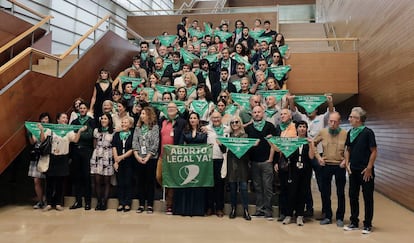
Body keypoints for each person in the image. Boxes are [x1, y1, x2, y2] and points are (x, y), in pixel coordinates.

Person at [40, 113, 87, 211]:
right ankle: (48, 203)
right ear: (58, 120)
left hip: (63, 158)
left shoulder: (69, 130)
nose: (65, 119)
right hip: (52, 157)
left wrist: (79, 131)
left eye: (66, 118)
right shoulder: (51, 129)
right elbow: (43, 139)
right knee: (49, 182)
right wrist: (41, 130)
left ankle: (58, 203)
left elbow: (75, 140)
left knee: (60, 183)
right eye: (63, 117)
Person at [274, 121, 315, 226]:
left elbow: (311, 157)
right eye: (300, 127)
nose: (302, 129)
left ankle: (300, 215)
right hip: (293, 170)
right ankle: (288, 215)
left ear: (306, 129)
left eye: (304, 127)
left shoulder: (308, 141)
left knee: (303, 192)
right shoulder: (292, 141)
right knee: (291, 192)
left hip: (305, 170)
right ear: (296, 129)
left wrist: (311, 144)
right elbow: (281, 150)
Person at [344, 107, 377, 234]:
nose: (349, 119)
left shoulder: (368, 132)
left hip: (365, 171)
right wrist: (347, 164)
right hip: (353, 170)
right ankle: (353, 222)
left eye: (351, 117)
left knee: (367, 197)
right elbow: (348, 149)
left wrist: (369, 168)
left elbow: (374, 151)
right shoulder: (350, 132)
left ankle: (367, 224)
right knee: (353, 196)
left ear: (358, 119)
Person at [313, 112, 348, 227]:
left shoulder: (345, 133)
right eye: (330, 121)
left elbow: (349, 149)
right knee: (325, 192)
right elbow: (312, 144)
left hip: (339, 165)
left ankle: (340, 217)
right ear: (328, 121)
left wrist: (346, 161)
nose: (332, 124)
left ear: (339, 122)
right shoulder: (323, 132)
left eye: (335, 121)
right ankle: (327, 216)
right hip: (326, 164)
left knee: (340, 193)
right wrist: (318, 157)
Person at [245, 105, 277, 220]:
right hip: (254, 162)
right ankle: (259, 210)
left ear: (263, 113)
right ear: (252, 114)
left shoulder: (270, 126)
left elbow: (275, 144)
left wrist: (271, 159)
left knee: (267, 187)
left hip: (266, 162)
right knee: (257, 187)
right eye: (254, 112)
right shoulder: (249, 128)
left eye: (259, 112)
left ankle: (268, 211)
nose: (257, 114)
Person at [173, 112, 208, 216]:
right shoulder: (185, 131)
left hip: (200, 162)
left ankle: (197, 210)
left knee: (197, 184)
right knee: (186, 184)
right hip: (187, 161)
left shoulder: (203, 132)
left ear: (198, 120)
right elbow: (180, 145)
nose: (192, 120)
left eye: (194, 118)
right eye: (191, 118)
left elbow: (206, 146)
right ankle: (184, 209)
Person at [156, 102, 187, 214]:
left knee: (172, 181)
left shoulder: (182, 122)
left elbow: (183, 137)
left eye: (173, 108)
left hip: (174, 156)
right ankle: (167, 189)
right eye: (168, 108)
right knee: (159, 176)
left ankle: (170, 205)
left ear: (177, 109)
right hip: (161, 155)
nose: (170, 109)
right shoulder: (162, 121)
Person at [132, 107, 160, 214]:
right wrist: (137, 156)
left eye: (143, 113)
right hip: (139, 158)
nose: (141, 115)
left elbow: (155, 143)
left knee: (149, 182)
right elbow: (135, 142)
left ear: (149, 115)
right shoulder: (138, 127)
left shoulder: (155, 127)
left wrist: (147, 157)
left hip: (151, 159)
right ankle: (141, 204)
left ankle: (150, 205)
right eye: (141, 113)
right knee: (140, 182)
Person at [225, 116, 252, 220]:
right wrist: (220, 144)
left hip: (242, 164)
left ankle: (246, 210)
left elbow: (247, 151)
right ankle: (233, 209)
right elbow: (224, 149)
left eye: (237, 122)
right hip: (232, 163)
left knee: (244, 188)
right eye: (232, 122)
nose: (235, 124)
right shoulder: (228, 135)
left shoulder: (245, 136)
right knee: (232, 188)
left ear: (240, 123)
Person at [275, 108, 298, 221]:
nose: (282, 116)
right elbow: (279, 147)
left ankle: (292, 212)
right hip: (282, 161)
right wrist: (276, 162)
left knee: (292, 189)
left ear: (290, 116)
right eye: (281, 114)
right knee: (283, 188)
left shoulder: (295, 127)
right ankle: (283, 212)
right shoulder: (280, 129)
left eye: (285, 114)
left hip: (293, 161)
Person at [205, 111, 229, 217]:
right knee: (210, 185)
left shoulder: (226, 129)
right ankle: (210, 207)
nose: (216, 119)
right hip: (209, 159)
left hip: (222, 159)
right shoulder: (207, 129)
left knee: (220, 185)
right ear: (211, 118)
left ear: (221, 118)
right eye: (214, 118)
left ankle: (219, 208)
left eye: (218, 117)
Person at [90, 113, 114, 211]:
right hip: (97, 155)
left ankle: (105, 202)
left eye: (106, 118)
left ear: (109, 120)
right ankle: (99, 201)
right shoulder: (96, 131)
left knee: (107, 180)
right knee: (97, 180)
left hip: (108, 155)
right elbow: (94, 144)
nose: (103, 120)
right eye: (102, 118)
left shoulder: (113, 131)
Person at [27, 112, 51, 209]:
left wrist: (41, 130)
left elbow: (43, 140)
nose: (44, 120)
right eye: (42, 118)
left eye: (46, 118)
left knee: (47, 181)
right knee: (36, 180)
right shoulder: (35, 128)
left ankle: (47, 201)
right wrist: (29, 133)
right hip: (37, 156)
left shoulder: (49, 129)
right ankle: (40, 201)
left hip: (45, 156)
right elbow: (33, 141)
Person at [112, 116, 135, 212]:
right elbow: (114, 147)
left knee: (128, 182)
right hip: (118, 162)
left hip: (129, 161)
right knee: (120, 182)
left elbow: (133, 148)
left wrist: (121, 157)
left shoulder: (133, 134)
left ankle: (127, 203)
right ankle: (121, 202)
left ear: (130, 124)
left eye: (126, 123)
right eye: (122, 122)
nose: (124, 124)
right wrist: (116, 160)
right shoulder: (117, 134)